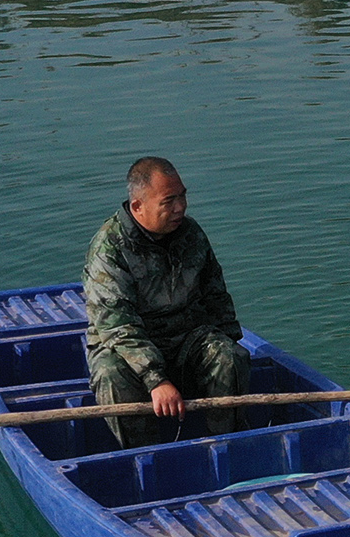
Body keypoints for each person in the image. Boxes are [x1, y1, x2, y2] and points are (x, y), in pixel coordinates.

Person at [81, 156, 250, 451]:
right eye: (169, 201)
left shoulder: (191, 233)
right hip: (128, 349)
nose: (180, 207)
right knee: (111, 374)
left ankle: (225, 444)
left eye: (183, 196)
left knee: (229, 356)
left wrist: (232, 347)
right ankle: (145, 455)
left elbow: (216, 296)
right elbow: (118, 326)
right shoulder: (109, 249)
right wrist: (156, 379)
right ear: (138, 207)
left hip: (185, 340)